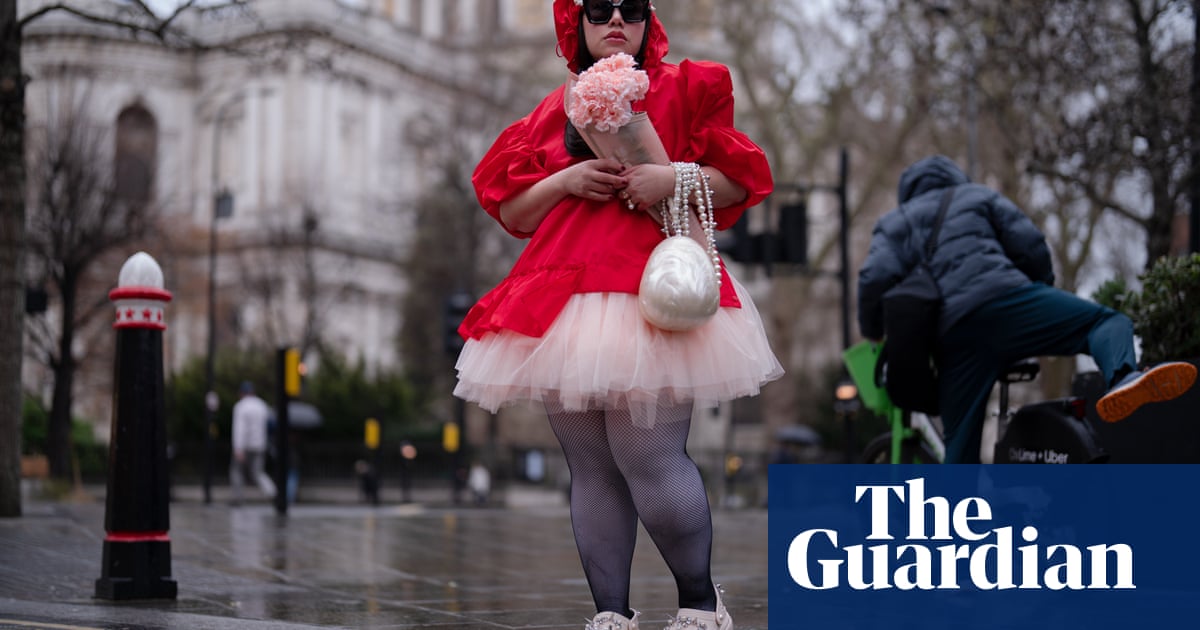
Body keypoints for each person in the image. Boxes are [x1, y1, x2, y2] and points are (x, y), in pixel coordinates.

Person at [453, 2, 782, 628]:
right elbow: (517, 213)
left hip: (653, 284)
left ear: (647, 20)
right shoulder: (552, 109)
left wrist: (670, 176)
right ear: (573, 23)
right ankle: (611, 614)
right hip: (564, 295)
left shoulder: (690, 84)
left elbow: (740, 182)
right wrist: (567, 180)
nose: (614, 19)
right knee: (591, 467)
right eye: (597, 7)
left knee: (649, 457)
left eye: (631, 7)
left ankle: (699, 606)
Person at [858, 155, 1197, 464]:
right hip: (1010, 302)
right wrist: (1039, 297)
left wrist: (872, 331)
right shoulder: (977, 196)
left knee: (959, 449)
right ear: (953, 178)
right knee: (1105, 322)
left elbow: (874, 278)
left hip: (956, 336)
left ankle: (959, 524)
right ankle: (1123, 376)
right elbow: (1031, 246)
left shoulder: (894, 221)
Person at [230, 381, 277, 505]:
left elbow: (239, 429)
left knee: (237, 471)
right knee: (258, 473)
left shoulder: (240, 406)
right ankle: (272, 492)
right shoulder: (261, 405)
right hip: (259, 444)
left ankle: (238, 498)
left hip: (244, 445)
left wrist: (238, 448)